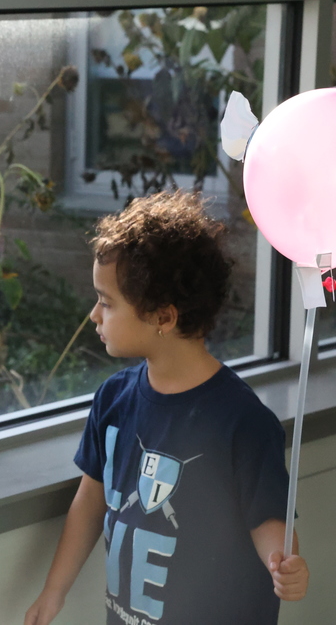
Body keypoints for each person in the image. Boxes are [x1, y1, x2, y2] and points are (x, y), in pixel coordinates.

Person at [24, 191, 310, 625]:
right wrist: (53, 590)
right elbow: (90, 501)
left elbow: (268, 519)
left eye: (107, 301)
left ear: (163, 317)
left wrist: (285, 564)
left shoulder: (243, 422)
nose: (93, 316)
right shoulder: (112, 400)